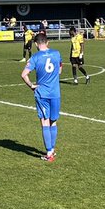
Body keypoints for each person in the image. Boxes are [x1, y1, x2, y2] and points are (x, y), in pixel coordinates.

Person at [22, 28, 62, 162]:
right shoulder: (56, 54)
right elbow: (60, 70)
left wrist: (32, 86)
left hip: (42, 93)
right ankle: (52, 149)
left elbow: (24, 75)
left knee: (44, 121)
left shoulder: (35, 57)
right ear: (48, 42)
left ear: (35, 44)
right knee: (53, 121)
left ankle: (49, 152)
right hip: (55, 92)